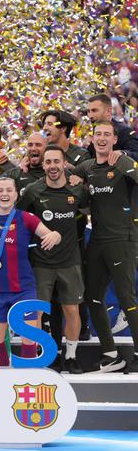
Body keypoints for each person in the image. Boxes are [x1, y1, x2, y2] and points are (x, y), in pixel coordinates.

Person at [0, 177, 61, 367]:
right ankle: (3, 373)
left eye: (9, 190)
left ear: (16, 194)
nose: (4, 194)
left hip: (23, 286)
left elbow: (51, 234)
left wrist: (55, 235)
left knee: (29, 332)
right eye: (0, 190)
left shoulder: (25, 217)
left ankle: (27, 373)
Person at [73, 121, 138, 373]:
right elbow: (63, 172)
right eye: (97, 134)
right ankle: (111, 355)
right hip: (98, 240)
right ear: (92, 139)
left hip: (123, 238)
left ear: (114, 140)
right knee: (92, 297)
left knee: (126, 297)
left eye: (106, 135)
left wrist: (126, 159)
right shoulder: (87, 166)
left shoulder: (122, 162)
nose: (101, 138)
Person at [18, 146, 88, 374]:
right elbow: (20, 219)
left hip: (70, 261)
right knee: (36, 313)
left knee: (71, 311)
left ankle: (71, 356)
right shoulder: (32, 191)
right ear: (43, 165)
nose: (52, 166)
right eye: (48, 162)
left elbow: (93, 209)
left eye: (56, 161)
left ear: (64, 163)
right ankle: (40, 354)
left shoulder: (78, 189)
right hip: (40, 263)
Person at [86, 94, 138, 160]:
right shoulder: (90, 132)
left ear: (108, 111)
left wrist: (123, 153)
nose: (90, 115)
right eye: (88, 111)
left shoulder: (125, 131)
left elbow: (136, 153)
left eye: (94, 110)